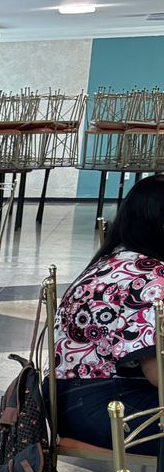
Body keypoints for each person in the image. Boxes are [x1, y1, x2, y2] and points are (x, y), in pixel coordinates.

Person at [53, 176, 164, 453]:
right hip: (107, 409)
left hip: (66, 401)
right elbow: (158, 375)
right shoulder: (152, 278)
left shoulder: (114, 260)